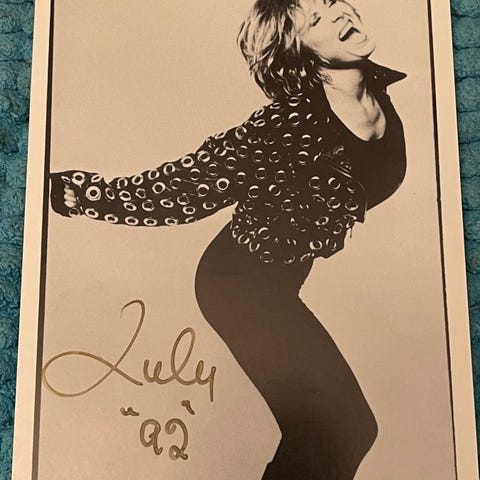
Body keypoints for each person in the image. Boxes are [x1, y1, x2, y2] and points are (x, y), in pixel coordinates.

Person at [50, 0, 407, 478]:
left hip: (278, 284)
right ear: (299, 52)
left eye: (330, 1)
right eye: (316, 20)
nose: (338, 14)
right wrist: (82, 195)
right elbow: (186, 187)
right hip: (238, 286)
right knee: (337, 428)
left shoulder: (377, 91)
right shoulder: (287, 126)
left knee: (340, 429)